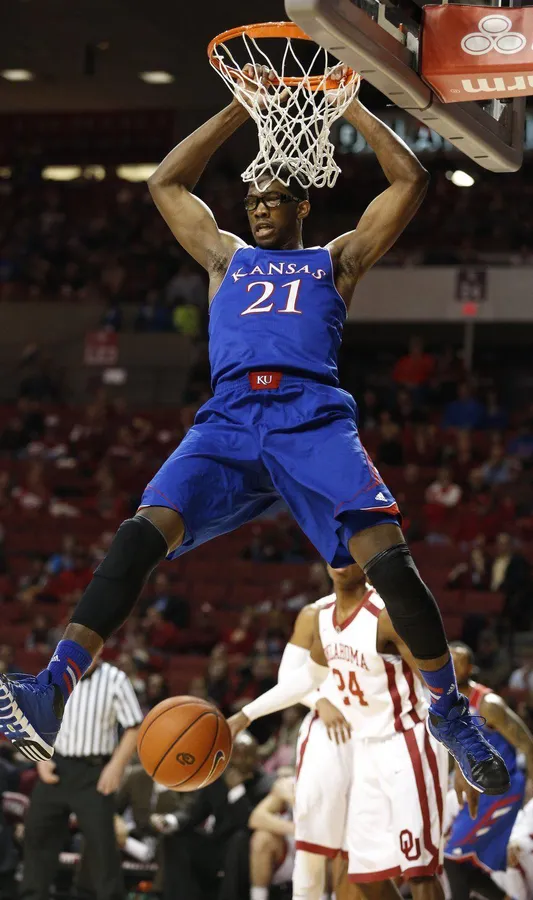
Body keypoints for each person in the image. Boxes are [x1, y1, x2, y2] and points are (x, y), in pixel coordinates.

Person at [0, 64, 508, 796]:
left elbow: (409, 180)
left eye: (272, 198)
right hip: (229, 419)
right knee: (139, 535)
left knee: (390, 565)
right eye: (252, 199)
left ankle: (450, 714)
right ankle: (53, 686)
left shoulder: (335, 260)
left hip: (312, 417)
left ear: (303, 203)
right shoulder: (225, 258)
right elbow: (166, 184)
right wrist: (242, 107)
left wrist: (349, 104)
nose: (260, 208)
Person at [229, 562, 449, 900]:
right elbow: (306, 677)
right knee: (364, 874)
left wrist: (468, 752)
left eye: (350, 552)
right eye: (335, 551)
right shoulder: (322, 617)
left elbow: (439, 682)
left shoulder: (387, 614)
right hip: (364, 748)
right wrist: (246, 715)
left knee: (419, 869)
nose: (342, 559)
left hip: (405, 741)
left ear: (367, 560)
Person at [19, 655, 143, 900]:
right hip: (56, 767)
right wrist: (40, 759)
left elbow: (135, 726)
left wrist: (116, 766)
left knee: (102, 845)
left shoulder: (115, 679)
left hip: (94, 771)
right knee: (37, 834)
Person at [444, 642, 533, 900]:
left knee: (453, 856)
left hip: (503, 789)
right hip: (477, 792)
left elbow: (527, 744)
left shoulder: (488, 704)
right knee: (462, 863)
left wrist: (530, 790)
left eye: (458, 661)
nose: (452, 666)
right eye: (448, 660)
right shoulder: (446, 705)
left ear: (470, 668)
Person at [277, 596, 352, 899]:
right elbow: (287, 678)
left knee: (357, 847)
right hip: (327, 735)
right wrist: (319, 701)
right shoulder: (315, 613)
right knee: (312, 842)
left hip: (375, 734)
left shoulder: (390, 609)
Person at [152, 731, 273, 900]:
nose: (240, 760)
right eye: (236, 754)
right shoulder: (218, 779)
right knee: (175, 839)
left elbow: (250, 823)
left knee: (239, 839)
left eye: (246, 755)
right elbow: (194, 813)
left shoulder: (265, 785)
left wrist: (237, 790)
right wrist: (170, 820)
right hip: (217, 845)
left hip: (247, 852)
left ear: (255, 758)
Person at [248, 771, 296, 900]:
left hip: (324, 853)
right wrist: (298, 830)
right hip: (292, 850)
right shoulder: (289, 784)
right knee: (262, 838)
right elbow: (255, 818)